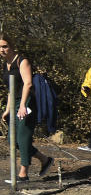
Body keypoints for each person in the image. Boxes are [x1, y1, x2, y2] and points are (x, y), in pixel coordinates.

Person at [0, 33, 54, 183]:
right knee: (13, 140)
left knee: (23, 138)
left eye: (5, 46)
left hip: (27, 101)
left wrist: (23, 105)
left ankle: (23, 174)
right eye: (0, 47)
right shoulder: (6, 64)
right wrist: (8, 109)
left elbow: (28, 84)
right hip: (15, 102)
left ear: (11, 45)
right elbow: (11, 89)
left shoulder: (22, 61)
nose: (2, 50)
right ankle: (45, 159)